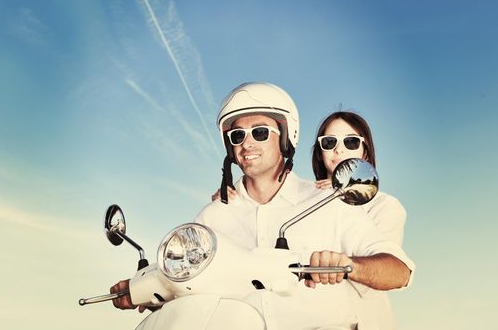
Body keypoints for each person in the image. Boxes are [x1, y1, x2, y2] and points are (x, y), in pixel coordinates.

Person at [110, 82, 414, 329]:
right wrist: (144, 287)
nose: (247, 143)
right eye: (237, 135)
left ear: (286, 137)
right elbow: (190, 277)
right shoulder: (212, 216)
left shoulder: (327, 203)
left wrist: (347, 265)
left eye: (259, 132)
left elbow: (398, 271)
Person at [311, 111, 407, 328]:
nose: (339, 149)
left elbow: (379, 273)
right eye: (329, 142)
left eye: (351, 141)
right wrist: (233, 197)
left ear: (365, 152)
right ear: (320, 152)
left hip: (361, 321)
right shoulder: (303, 202)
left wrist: (341, 196)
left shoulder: (386, 206)